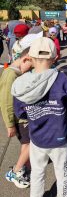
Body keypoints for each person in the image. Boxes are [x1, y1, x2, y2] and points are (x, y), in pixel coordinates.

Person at [12, 37, 67, 197]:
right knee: (63, 175)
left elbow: (19, 112)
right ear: (55, 57)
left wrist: (33, 113)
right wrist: (63, 113)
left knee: (37, 173)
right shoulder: (62, 79)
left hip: (37, 139)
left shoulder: (23, 83)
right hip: (60, 138)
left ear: (30, 58)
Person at [0, 33, 42, 188]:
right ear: (25, 59)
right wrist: (9, 124)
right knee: (30, 144)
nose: (28, 70)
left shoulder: (17, 72)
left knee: (27, 144)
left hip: (24, 117)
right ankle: (16, 171)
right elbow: (5, 102)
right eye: (29, 67)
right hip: (20, 119)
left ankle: (26, 166)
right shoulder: (10, 74)